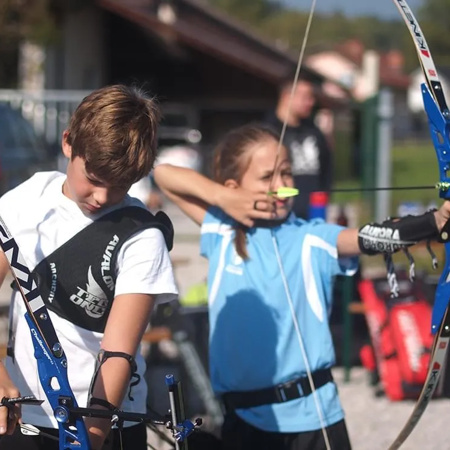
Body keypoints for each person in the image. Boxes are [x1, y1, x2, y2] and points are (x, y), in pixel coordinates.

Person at [153, 123, 450, 450]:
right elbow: (164, 174)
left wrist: (433, 223)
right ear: (234, 186)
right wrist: (225, 199)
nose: (281, 186)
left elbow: (367, 238)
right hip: (244, 420)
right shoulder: (222, 231)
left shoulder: (312, 236)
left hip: (314, 419)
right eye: (267, 178)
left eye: (288, 174)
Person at [0, 85, 178, 450]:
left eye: (120, 185)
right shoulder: (26, 200)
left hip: (103, 423)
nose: (101, 197)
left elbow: (118, 353)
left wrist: (91, 437)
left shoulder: (142, 236)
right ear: (68, 143)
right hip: (22, 417)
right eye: (94, 180)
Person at [265, 74, 333, 219]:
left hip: (313, 215)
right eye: (306, 97)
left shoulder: (314, 131)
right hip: (278, 215)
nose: (311, 102)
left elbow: (326, 169)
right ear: (286, 96)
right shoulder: (267, 131)